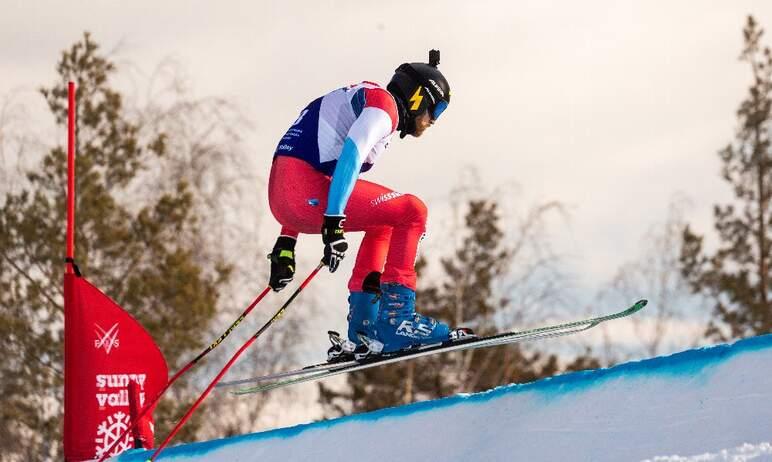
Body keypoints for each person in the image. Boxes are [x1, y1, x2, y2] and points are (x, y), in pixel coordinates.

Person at [267, 50, 473, 361]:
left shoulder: (364, 99)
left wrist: (286, 241)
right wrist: (333, 220)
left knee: (387, 218)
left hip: (285, 198)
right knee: (412, 211)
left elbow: (304, 160)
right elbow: (351, 153)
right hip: (305, 194)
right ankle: (397, 318)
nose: (433, 120)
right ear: (418, 98)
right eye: (436, 110)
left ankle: (364, 326)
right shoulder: (383, 107)